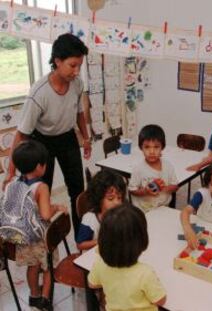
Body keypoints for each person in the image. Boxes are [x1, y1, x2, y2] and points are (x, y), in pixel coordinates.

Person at [3, 33, 90, 237]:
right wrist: (9, 172)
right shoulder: (39, 93)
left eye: (79, 66)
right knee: (43, 191)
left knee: (78, 189)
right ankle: (43, 241)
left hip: (67, 138)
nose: (77, 71)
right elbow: (21, 135)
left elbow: (79, 113)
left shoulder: (77, 84)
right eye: (72, 65)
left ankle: (81, 237)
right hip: (42, 143)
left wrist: (86, 139)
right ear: (57, 61)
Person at [6, 141, 67, 311]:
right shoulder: (41, 187)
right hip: (40, 237)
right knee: (47, 266)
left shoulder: (13, 184)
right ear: (40, 167)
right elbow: (45, 214)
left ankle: (34, 295)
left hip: (24, 235)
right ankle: (45, 299)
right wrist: (57, 207)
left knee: (32, 266)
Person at [88, 204, 167, 311]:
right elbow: (161, 300)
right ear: (142, 240)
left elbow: (92, 284)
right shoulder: (145, 273)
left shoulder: (99, 263)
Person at [129, 124, 178, 212]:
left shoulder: (168, 166)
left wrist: (164, 188)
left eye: (156, 147)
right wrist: (145, 191)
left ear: (162, 147)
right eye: (147, 147)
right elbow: (132, 190)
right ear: (141, 148)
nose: (152, 151)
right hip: (144, 210)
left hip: (163, 208)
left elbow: (175, 186)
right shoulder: (138, 169)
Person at [76, 170, 126, 251]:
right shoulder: (89, 220)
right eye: (110, 198)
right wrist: (102, 241)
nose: (116, 202)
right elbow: (80, 245)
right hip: (92, 258)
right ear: (99, 199)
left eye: (119, 198)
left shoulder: (119, 213)